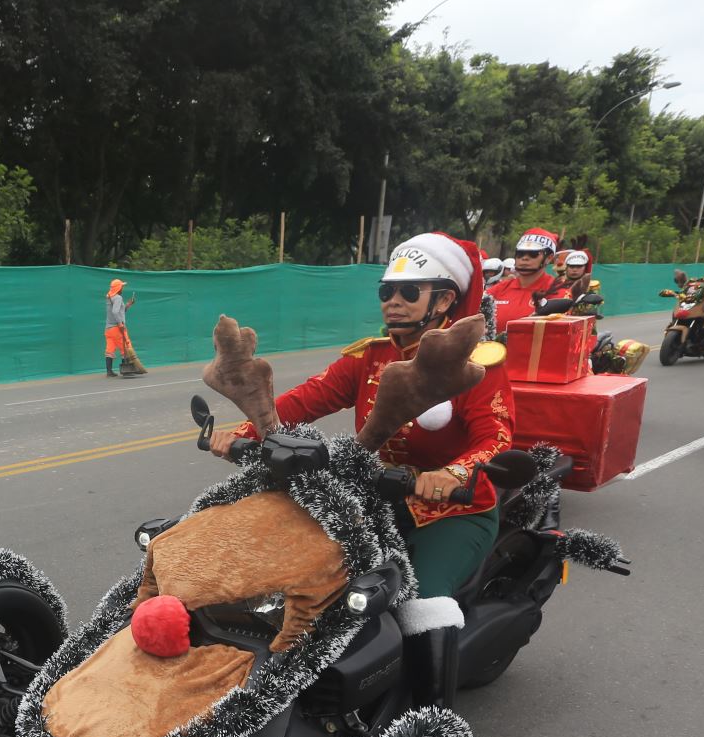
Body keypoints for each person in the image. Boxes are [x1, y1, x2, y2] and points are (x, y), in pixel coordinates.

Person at [211, 232, 514, 601]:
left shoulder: (475, 364)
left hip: (452, 511)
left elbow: (496, 438)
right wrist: (245, 431)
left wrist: (453, 474)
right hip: (375, 496)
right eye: (387, 293)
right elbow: (307, 398)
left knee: (424, 599)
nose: (394, 303)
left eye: (409, 293)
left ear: (445, 299)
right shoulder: (370, 357)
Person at [485, 228, 560, 332]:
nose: (525, 258)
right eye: (520, 253)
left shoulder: (558, 290)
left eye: (533, 254)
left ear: (549, 258)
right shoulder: (498, 290)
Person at [103, 279, 146, 377]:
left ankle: (109, 371)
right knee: (125, 348)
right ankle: (127, 370)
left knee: (110, 350)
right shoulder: (117, 298)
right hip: (117, 328)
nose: (122, 288)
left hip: (108, 329)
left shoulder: (110, 297)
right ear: (118, 288)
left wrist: (127, 305)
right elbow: (115, 312)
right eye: (122, 286)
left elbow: (118, 311)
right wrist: (120, 324)